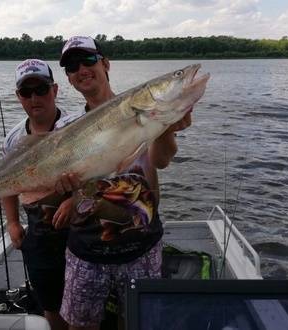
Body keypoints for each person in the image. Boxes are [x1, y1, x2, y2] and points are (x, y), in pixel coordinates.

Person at [55, 36, 192, 330]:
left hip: (141, 245)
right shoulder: (65, 130)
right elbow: (71, 190)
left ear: (105, 64)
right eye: (72, 66)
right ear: (68, 79)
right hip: (86, 250)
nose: (81, 69)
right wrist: (65, 189)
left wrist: (167, 127)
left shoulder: (144, 110)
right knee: (80, 326)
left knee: (139, 323)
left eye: (88, 60)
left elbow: (161, 161)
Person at [1, 58, 82, 330]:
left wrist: (74, 200)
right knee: (51, 304)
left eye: (41, 89)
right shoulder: (13, 140)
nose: (34, 97)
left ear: (55, 90)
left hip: (79, 230)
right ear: (18, 97)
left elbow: (98, 173)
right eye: (26, 92)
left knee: (83, 305)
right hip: (38, 232)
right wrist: (12, 223)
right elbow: (6, 185)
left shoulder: (78, 126)